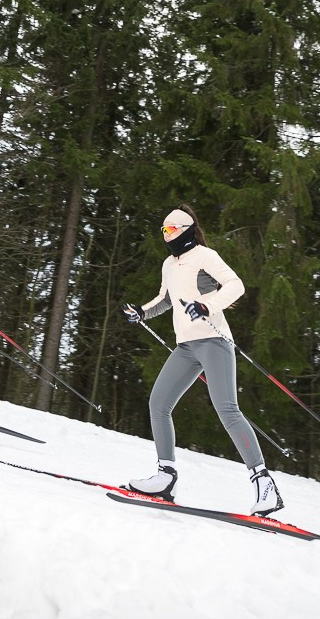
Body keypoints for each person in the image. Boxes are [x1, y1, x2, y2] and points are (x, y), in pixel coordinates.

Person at [121, 204, 282, 516]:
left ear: (185, 230)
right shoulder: (169, 264)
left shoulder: (205, 256)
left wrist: (207, 305)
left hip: (213, 341)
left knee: (227, 410)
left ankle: (264, 483)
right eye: (163, 231)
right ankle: (166, 477)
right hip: (186, 347)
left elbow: (236, 285)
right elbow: (165, 299)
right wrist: (141, 312)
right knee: (158, 404)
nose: (166, 236)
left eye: (170, 231)